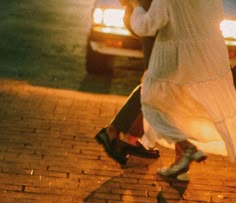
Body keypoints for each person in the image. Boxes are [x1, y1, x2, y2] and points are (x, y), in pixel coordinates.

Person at [127, 0, 236, 177]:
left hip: (174, 56)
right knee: (182, 107)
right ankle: (181, 167)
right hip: (207, 55)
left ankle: (186, 148)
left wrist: (136, 8)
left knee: (152, 104)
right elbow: (217, 17)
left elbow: (148, 25)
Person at [95, 0, 159, 166]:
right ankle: (117, 132)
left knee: (158, 82)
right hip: (148, 16)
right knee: (158, 81)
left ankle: (126, 136)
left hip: (150, 16)